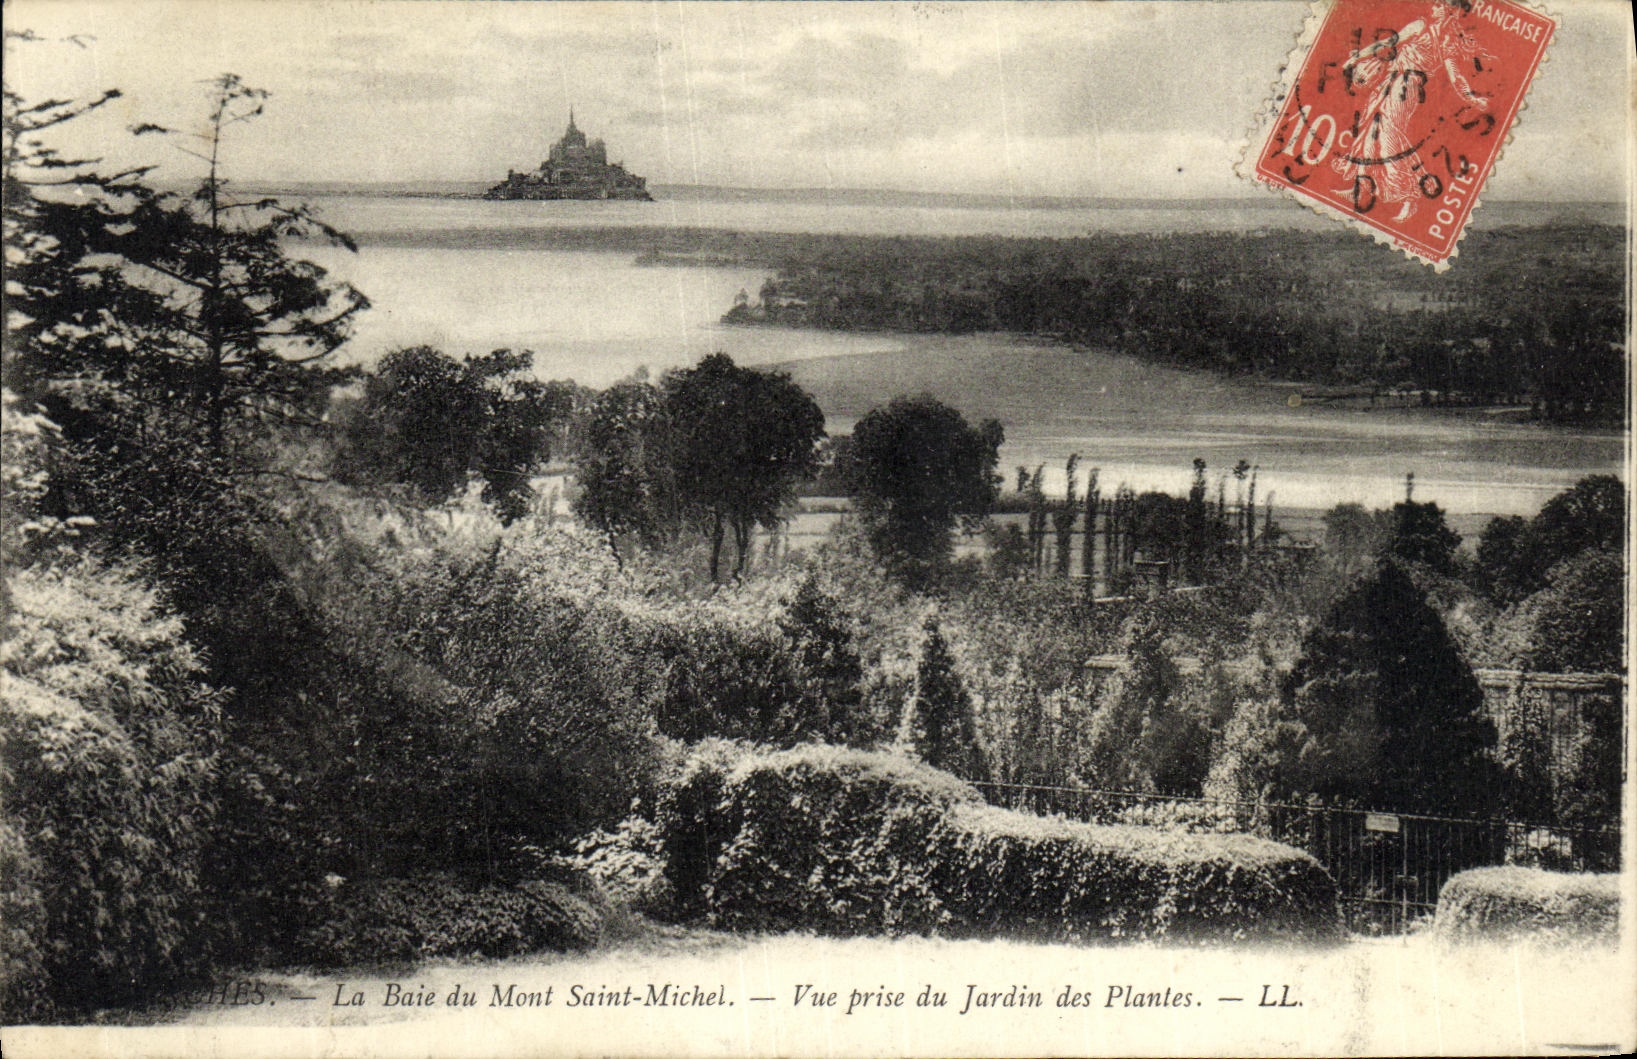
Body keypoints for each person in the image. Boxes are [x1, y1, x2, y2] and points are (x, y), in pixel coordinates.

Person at [1332, 1, 1493, 222]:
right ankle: (1362, 185)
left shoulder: (1449, 43)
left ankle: (1409, 195)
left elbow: (1455, 76)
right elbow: (1387, 42)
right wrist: (1358, 57)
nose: (1434, 7)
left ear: (1450, 10)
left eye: (1439, 4)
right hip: (1388, 79)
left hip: (1407, 86)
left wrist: (1471, 97)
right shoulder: (1419, 25)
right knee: (1371, 129)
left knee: (1389, 136)